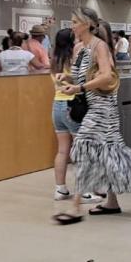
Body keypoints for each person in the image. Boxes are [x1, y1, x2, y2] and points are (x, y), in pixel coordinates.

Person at [54, 8, 131, 224]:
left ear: (88, 24)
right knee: (106, 152)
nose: (72, 26)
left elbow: (107, 75)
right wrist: (67, 76)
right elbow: (84, 75)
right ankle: (112, 201)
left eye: (75, 22)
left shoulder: (99, 46)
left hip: (103, 109)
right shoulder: (80, 48)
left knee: (83, 147)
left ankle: (76, 207)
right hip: (91, 106)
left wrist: (79, 88)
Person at [50, 28, 104, 205]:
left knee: (62, 150)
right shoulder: (74, 59)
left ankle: (60, 189)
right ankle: (85, 192)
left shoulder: (55, 59)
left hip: (57, 105)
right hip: (73, 106)